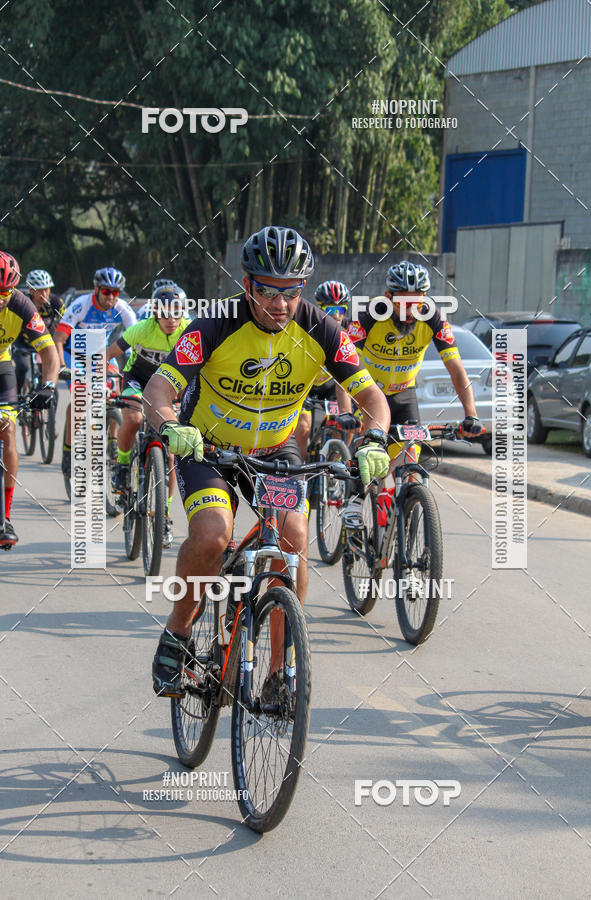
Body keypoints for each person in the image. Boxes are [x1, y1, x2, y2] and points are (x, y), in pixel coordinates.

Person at [142, 225, 390, 697]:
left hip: (276, 450)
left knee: (293, 538)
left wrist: (375, 439)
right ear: (246, 284)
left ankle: (279, 670)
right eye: (267, 291)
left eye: (290, 293)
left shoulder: (321, 328)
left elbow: (371, 396)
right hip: (209, 448)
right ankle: (177, 632)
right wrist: (172, 425)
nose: (279, 304)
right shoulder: (213, 325)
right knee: (214, 533)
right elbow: (160, 388)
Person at [341, 260, 483, 522]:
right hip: (369, 394)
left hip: (405, 394)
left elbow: (456, 369)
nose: (409, 310)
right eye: (402, 302)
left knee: (411, 462)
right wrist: (347, 410)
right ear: (388, 298)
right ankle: (354, 502)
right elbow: (344, 363)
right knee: (366, 449)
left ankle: (410, 518)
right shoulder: (369, 315)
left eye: (415, 302)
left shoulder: (433, 318)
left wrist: (471, 414)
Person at [105, 286, 191, 548]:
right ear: (156, 313)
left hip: (169, 386)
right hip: (137, 380)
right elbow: (109, 354)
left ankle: (163, 516)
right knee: (133, 419)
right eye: (165, 313)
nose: (171, 319)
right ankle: (121, 467)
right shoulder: (142, 329)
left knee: (173, 449)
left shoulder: (189, 331)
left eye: (176, 313)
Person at [0, 252, 59, 547]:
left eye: (5, 292)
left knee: (7, 430)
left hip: (1, 368)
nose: (1, 298)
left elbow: (49, 351)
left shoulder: (21, 305)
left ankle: (5, 517)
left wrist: (48, 386)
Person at [53, 267, 136, 476]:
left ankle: (113, 440)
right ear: (96, 289)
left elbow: (137, 339)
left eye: (115, 293)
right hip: (76, 353)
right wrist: (62, 364)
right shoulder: (81, 305)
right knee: (81, 399)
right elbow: (59, 338)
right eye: (106, 291)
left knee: (114, 392)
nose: (110, 297)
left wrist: (137, 367)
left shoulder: (122, 308)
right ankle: (68, 449)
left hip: (102, 353)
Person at [295, 280, 351, 459]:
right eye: (329, 311)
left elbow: (348, 372)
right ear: (320, 309)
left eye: (340, 310)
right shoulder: (307, 328)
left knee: (347, 426)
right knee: (303, 426)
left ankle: (333, 467)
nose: (335, 316)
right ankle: (300, 470)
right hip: (306, 387)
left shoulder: (350, 331)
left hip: (331, 387)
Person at [12, 269, 65, 395]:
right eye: (40, 290)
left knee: (49, 374)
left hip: (46, 343)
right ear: (31, 291)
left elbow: (68, 321)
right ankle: (17, 397)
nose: (45, 293)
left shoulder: (55, 302)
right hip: (23, 344)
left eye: (47, 289)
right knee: (22, 368)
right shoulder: (23, 303)